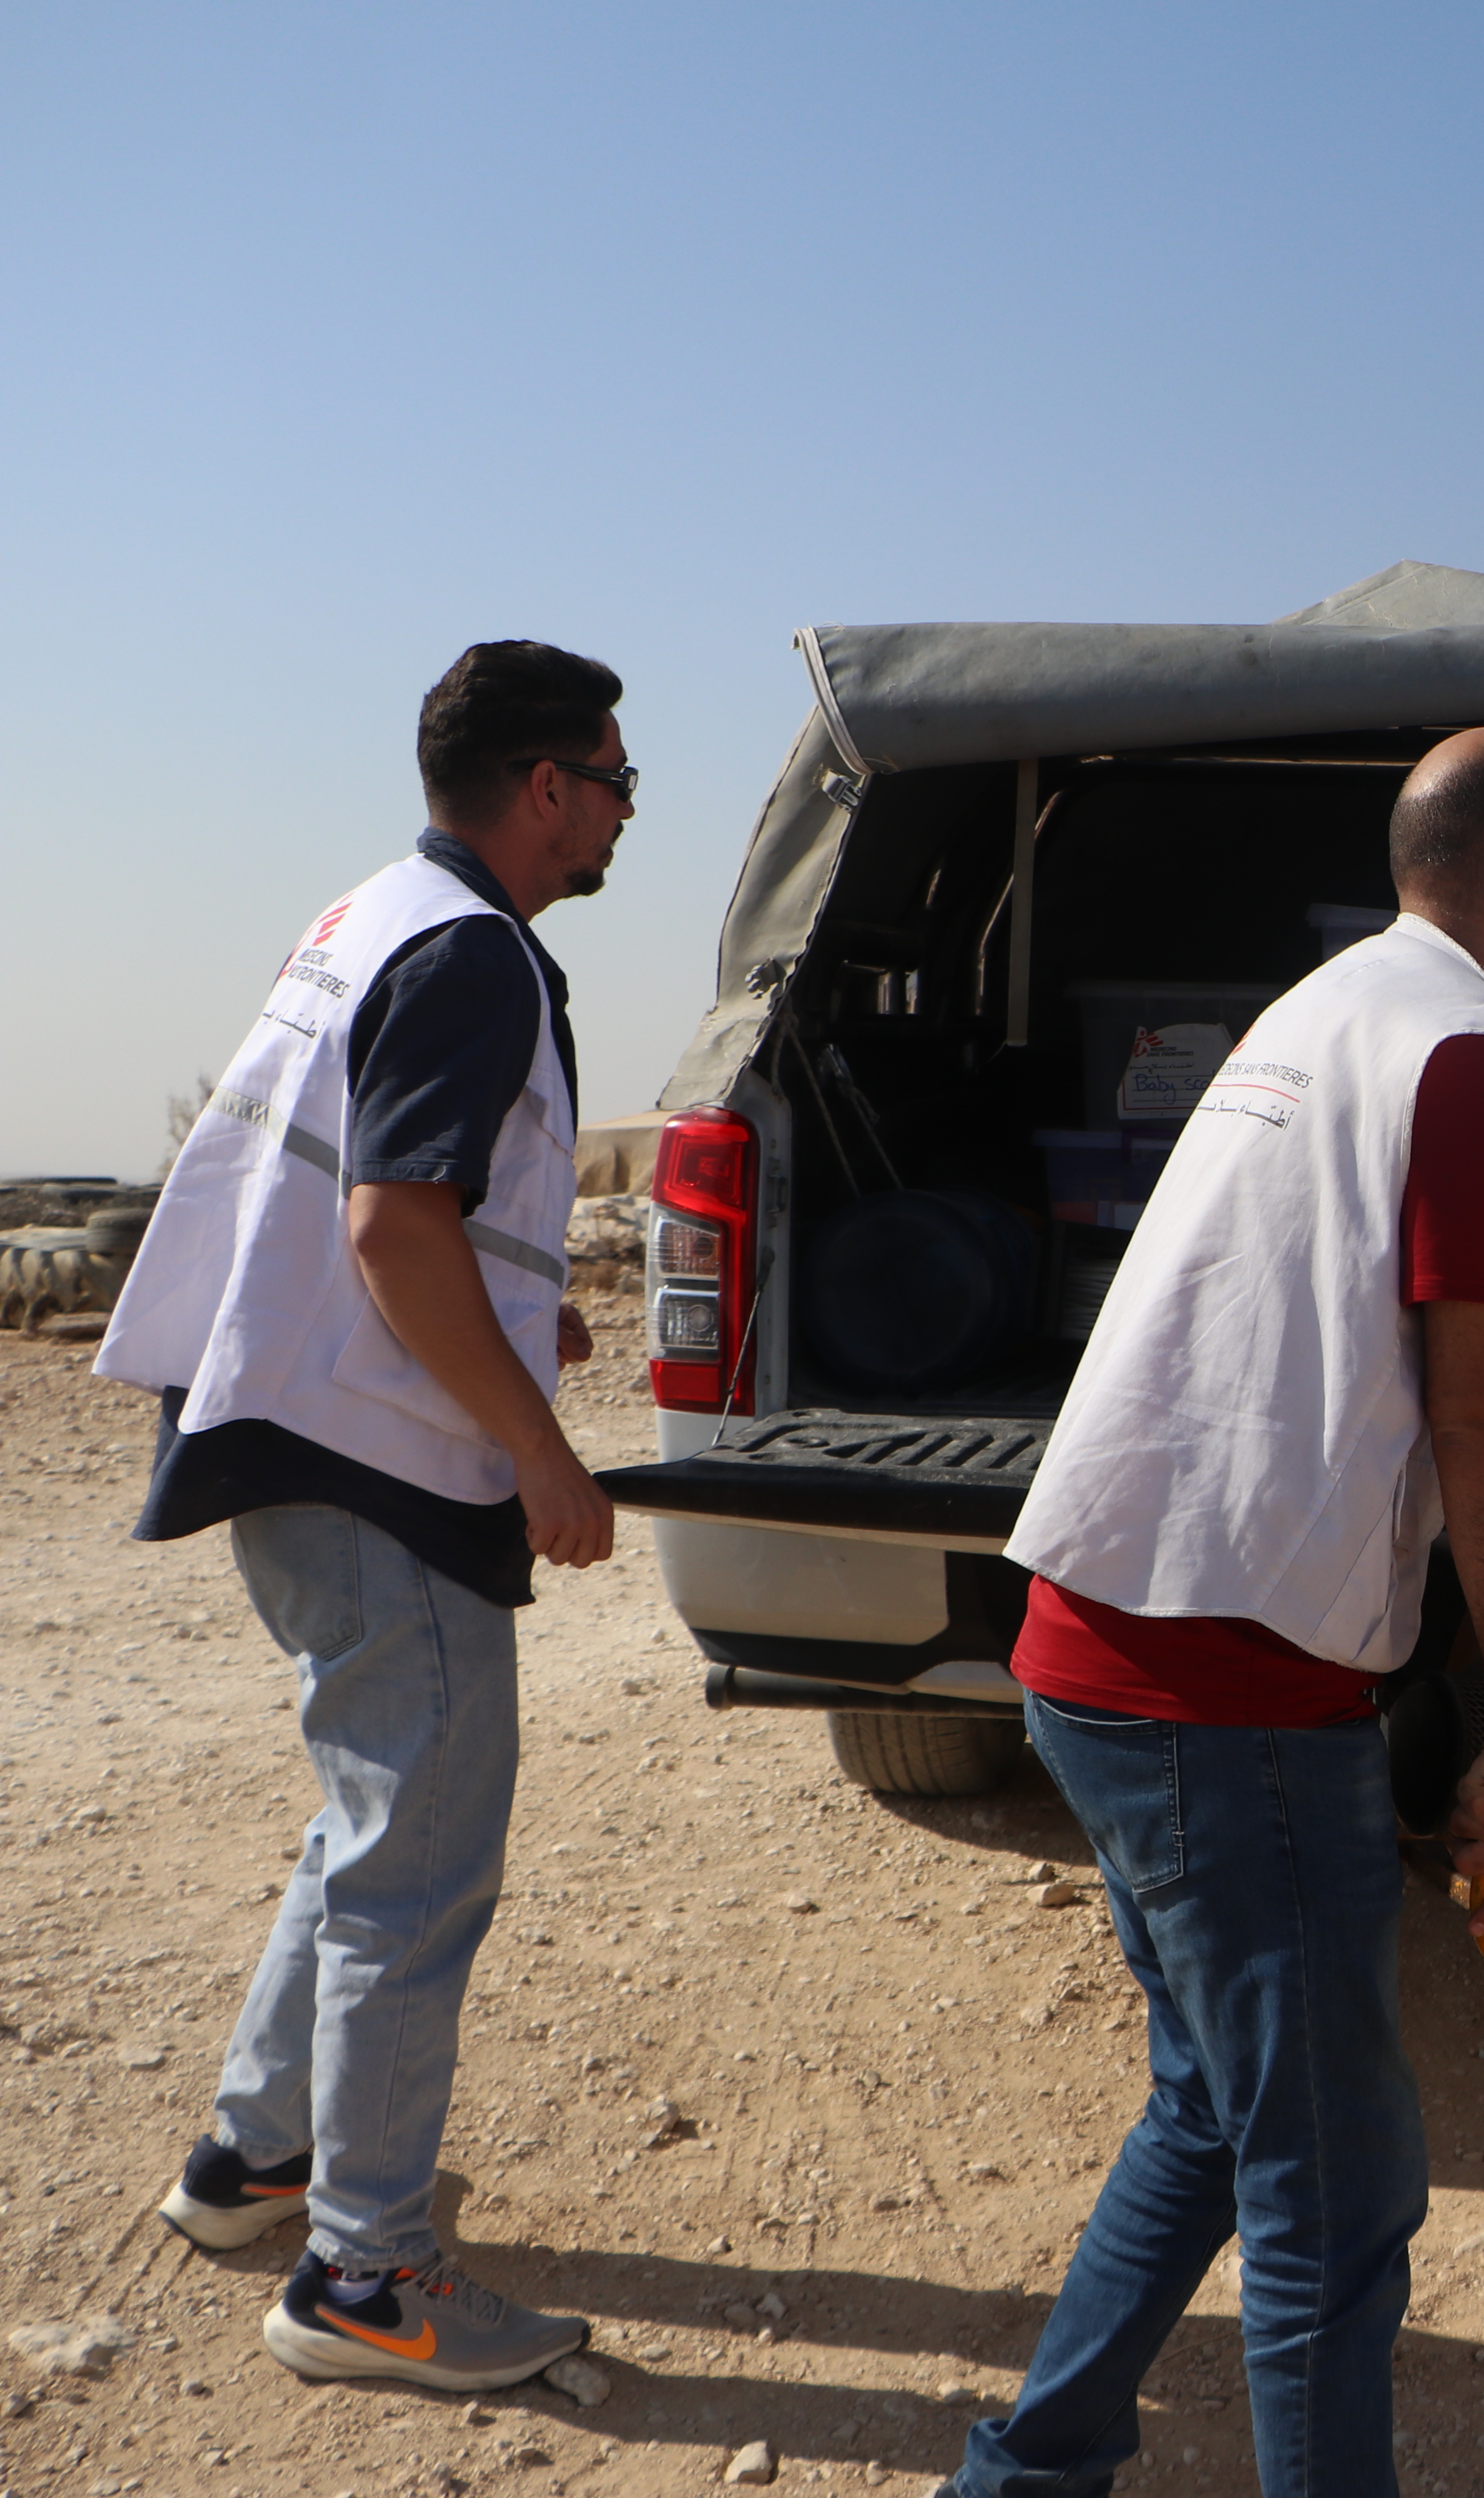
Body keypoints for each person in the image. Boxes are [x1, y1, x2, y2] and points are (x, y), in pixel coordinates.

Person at [953, 728, 1484, 2498]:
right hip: (1218, 1683)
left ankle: (1031, 2473)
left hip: (1096, 1642)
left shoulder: (1323, 1011)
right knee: (1336, 2184)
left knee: (1215, 2113)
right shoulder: (1477, 1051)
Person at [97, 641, 628, 2389]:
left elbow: (394, 1213)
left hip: (281, 1426)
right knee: (416, 1854)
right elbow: (392, 1230)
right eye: (616, 779)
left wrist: (509, 1307)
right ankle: (366, 2283)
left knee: (367, 1817)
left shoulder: (373, 917)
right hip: (374, 1461)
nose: (626, 809)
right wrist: (541, 1448)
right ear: (544, 787)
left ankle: (259, 2159)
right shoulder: (474, 952)